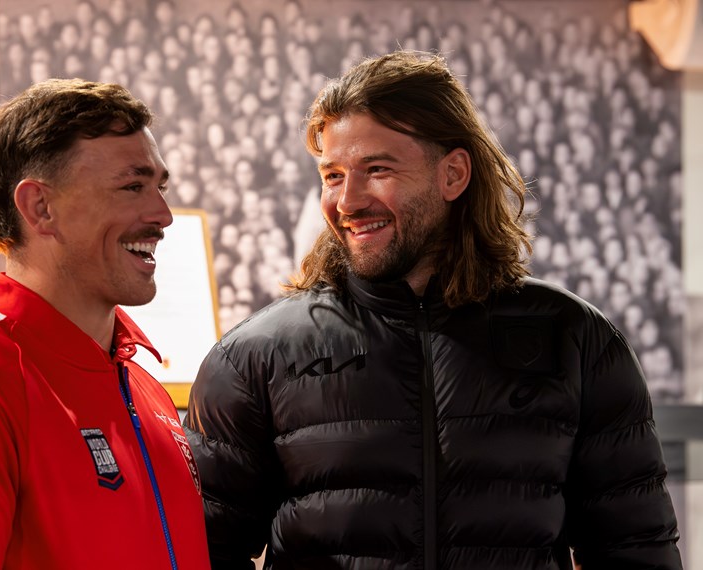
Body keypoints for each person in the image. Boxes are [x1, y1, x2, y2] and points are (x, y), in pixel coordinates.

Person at [184, 51, 682, 569]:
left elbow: (636, 552)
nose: (347, 201)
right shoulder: (252, 358)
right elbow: (204, 554)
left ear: (454, 175)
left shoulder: (578, 341)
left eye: (377, 169)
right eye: (332, 175)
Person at [0, 79, 211, 569]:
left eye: (160, 186)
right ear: (40, 207)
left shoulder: (145, 388)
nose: (163, 215)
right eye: (132, 186)